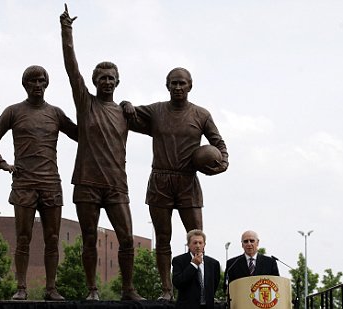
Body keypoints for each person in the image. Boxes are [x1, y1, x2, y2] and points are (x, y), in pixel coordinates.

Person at [60, 4, 144, 301]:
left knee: (127, 240)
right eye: (102, 77)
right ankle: (92, 289)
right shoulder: (86, 103)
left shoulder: (125, 113)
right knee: (89, 239)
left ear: (117, 82)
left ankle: (128, 289)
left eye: (111, 78)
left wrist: (132, 106)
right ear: (95, 82)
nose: (106, 81)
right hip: (86, 182)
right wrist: (66, 31)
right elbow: (72, 69)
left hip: (116, 183)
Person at [122, 67, 229, 300]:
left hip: (188, 181)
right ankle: (166, 290)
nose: (178, 87)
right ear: (167, 85)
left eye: (182, 83)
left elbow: (220, 146)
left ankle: (202, 290)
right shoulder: (157, 111)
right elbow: (129, 115)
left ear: (190, 86)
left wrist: (219, 166)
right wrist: (126, 103)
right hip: (160, 180)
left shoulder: (201, 115)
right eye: (173, 83)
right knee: (162, 238)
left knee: (197, 237)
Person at [0, 65, 77, 300]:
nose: (37, 85)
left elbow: (82, 135)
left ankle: (51, 288)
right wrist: (4, 164)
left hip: (51, 184)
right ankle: (22, 287)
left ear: (47, 84)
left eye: (41, 81)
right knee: (23, 237)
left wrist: (93, 114)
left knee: (53, 239)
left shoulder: (55, 113)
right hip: (24, 183)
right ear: (25, 85)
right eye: (33, 81)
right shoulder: (13, 112)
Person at [172, 229, 220, 309]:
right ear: (188, 244)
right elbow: (178, 283)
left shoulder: (213, 263)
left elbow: (214, 285)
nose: (198, 245)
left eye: (200, 243)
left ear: (204, 244)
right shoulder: (179, 260)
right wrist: (193, 264)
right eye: (195, 243)